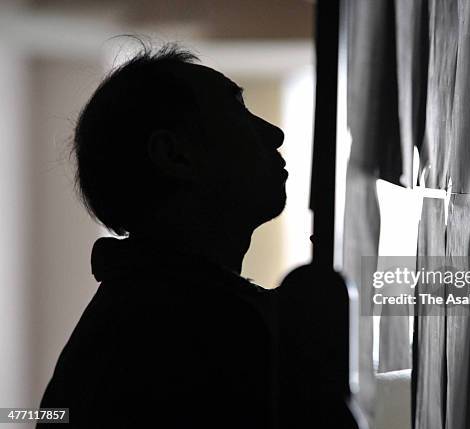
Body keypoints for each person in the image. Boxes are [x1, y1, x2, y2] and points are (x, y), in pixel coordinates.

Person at [38, 43, 289, 428]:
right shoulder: (201, 330)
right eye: (236, 110)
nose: (275, 133)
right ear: (175, 155)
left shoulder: (139, 315)